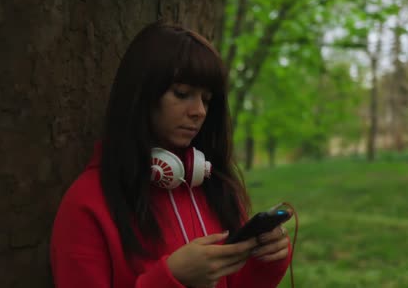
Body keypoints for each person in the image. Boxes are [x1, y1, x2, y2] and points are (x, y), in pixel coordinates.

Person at [50, 21, 292, 288]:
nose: (199, 110)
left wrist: (266, 261)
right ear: (141, 94)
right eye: (182, 93)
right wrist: (171, 279)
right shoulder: (87, 202)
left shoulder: (215, 188)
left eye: (206, 99)